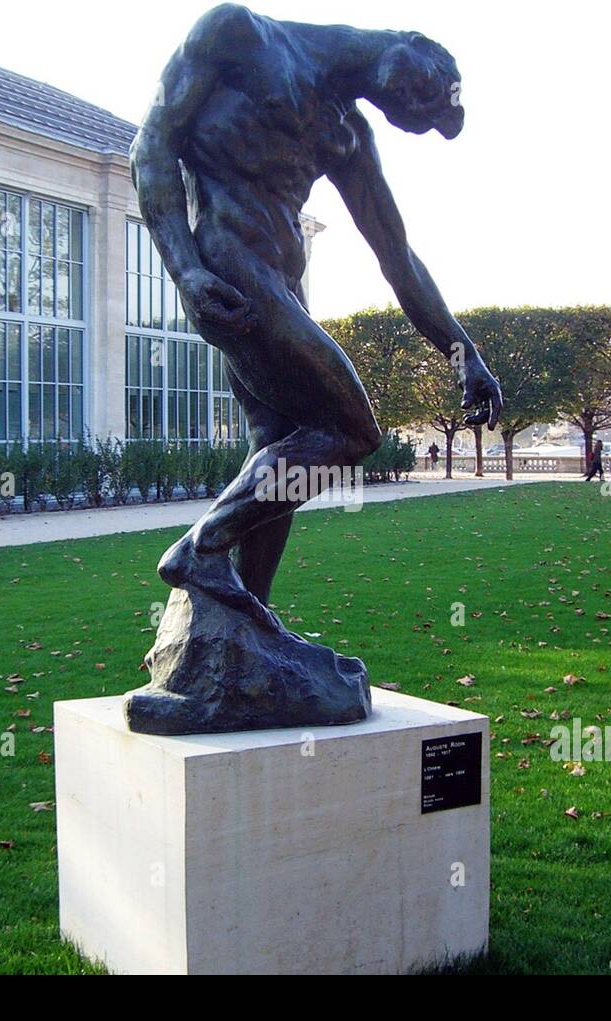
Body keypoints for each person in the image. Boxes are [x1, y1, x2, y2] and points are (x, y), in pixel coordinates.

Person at [132, 4, 503, 630]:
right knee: (351, 429)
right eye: (426, 90)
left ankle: (246, 614)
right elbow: (151, 148)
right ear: (409, 40)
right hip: (233, 270)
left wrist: (463, 353)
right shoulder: (237, 34)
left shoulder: (347, 133)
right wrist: (185, 271)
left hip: (283, 286)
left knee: (279, 448)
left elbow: (398, 257)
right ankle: (200, 548)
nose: (413, 105)